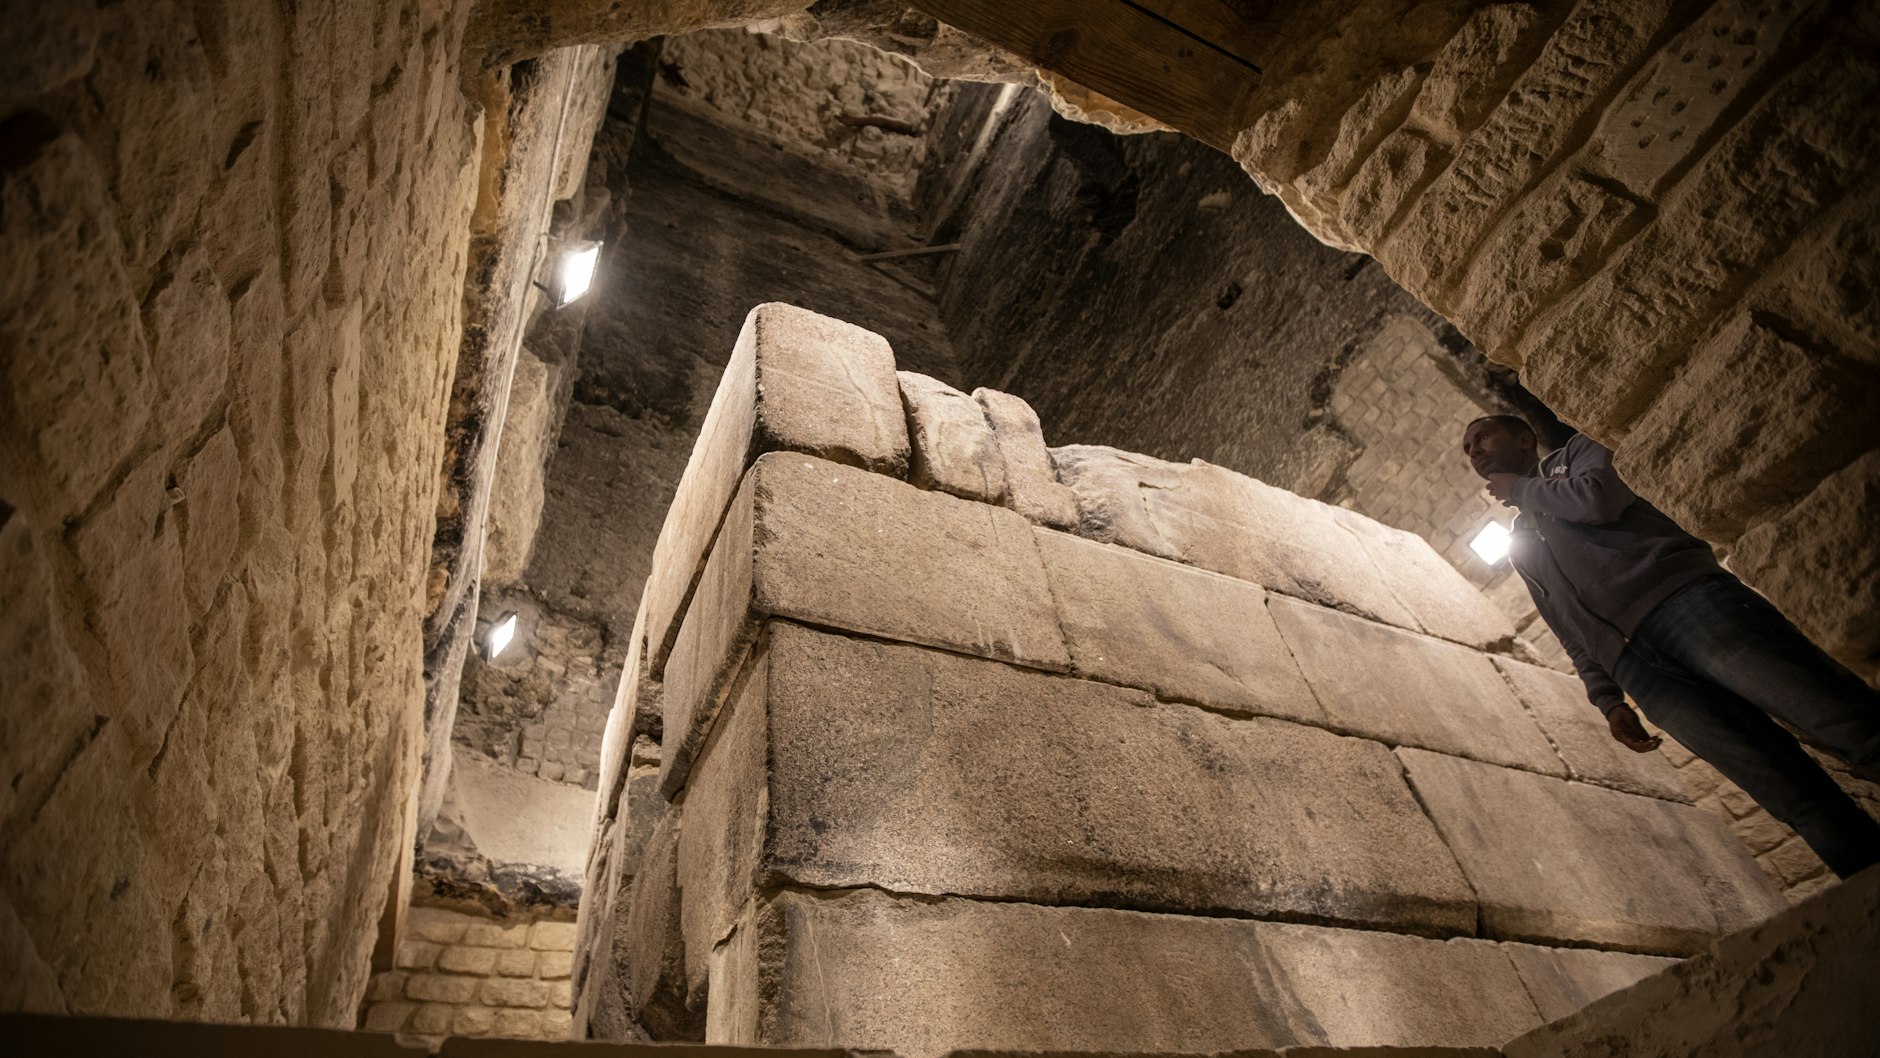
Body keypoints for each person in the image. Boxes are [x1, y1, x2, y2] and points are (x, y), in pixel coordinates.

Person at [1461, 414, 1880, 878]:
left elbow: (1598, 499)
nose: (1474, 450)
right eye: (1467, 448)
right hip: (1643, 672)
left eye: (1481, 437)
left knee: (1843, 721)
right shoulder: (1519, 541)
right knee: (1788, 793)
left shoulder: (1579, 454)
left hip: (1687, 608)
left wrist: (1519, 489)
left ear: (1524, 439)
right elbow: (1567, 625)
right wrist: (1607, 697)